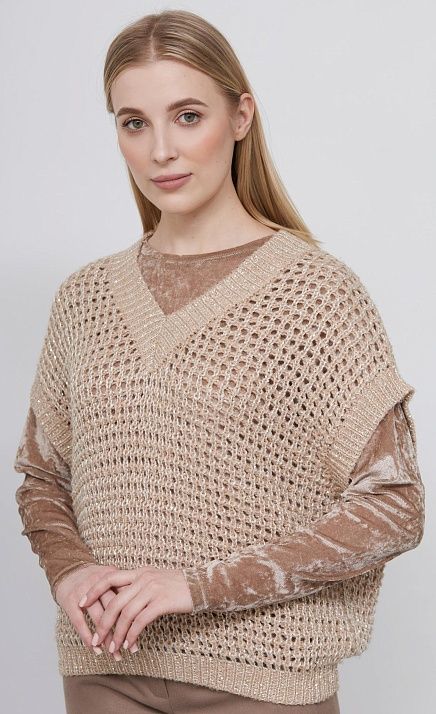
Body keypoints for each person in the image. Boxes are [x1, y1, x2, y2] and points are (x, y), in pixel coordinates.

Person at [12, 9, 425, 714]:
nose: (161, 150)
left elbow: (394, 506)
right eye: (134, 123)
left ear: (240, 116)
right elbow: (43, 474)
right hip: (104, 669)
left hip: (263, 679)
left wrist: (196, 586)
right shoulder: (85, 297)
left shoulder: (316, 293)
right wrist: (69, 570)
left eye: (188, 116)